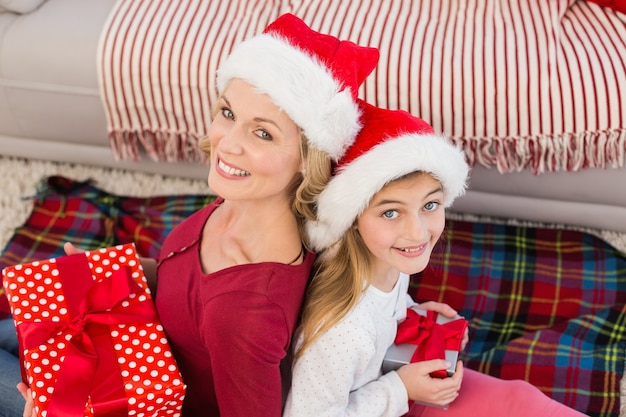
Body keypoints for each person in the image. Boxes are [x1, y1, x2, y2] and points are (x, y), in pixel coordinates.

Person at [6, 13, 380, 417]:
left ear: (311, 159)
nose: (227, 144)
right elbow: (185, 288)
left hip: (134, 401)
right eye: (229, 113)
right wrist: (119, 273)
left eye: (263, 133)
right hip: (138, 346)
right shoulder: (245, 202)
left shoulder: (243, 315)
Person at [283, 100, 588, 417]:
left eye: (429, 205)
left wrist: (414, 314)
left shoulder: (388, 262)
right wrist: (401, 388)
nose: (417, 233)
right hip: (391, 399)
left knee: (521, 399)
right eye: (391, 212)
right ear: (353, 219)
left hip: (399, 387)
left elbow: (380, 313)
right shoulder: (341, 333)